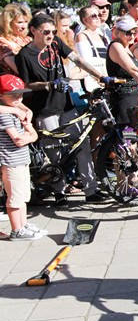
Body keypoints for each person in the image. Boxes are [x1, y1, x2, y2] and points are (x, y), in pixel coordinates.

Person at [15, 13, 111, 205]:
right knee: (55, 152)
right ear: (33, 31)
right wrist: (48, 84)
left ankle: (91, 190)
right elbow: (26, 85)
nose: (50, 36)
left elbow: (78, 60)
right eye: (46, 32)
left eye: (53, 32)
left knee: (81, 145)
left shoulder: (56, 43)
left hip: (67, 105)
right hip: (45, 109)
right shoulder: (25, 55)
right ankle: (59, 192)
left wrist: (101, 77)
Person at [0, 75, 45, 241]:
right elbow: (19, 140)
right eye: (13, 95)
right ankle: (16, 230)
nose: (18, 98)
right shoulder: (5, 115)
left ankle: (23, 225)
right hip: (11, 161)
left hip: (21, 159)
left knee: (23, 195)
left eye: (20, 95)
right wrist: (30, 135)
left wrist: (29, 131)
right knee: (15, 197)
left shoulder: (15, 110)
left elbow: (30, 130)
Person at [0, 3, 32, 75]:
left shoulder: (27, 39)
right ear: (8, 23)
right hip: (14, 83)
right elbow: (18, 68)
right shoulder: (2, 42)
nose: (24, 26)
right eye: (20, 22)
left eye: (26, 22)